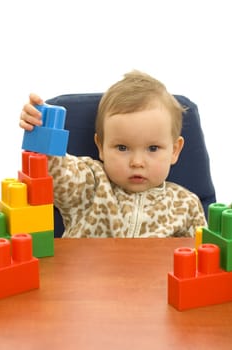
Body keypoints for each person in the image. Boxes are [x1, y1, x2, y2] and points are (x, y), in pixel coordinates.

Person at [19, 70, 206, 238]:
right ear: (100, 146)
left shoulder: (185, 205)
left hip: (154, 277)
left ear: (174, 150)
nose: (137, 162)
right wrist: (42, 131)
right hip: (87, 275)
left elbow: (202, 262)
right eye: (122, 148)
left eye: (153, 148)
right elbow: (56, 172)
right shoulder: (90, 184)